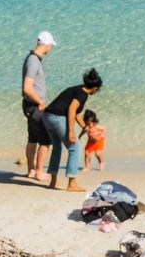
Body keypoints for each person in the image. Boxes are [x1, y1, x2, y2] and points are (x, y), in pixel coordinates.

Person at [40, 68, 101, 192]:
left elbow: (76, 113)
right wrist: (71, 132)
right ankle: (72, 183)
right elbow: (72, 109)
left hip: (47, 117)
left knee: (57, 148)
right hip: (57, 118)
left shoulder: (78, 89)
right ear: (95, 88)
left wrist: (85, 127)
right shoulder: (83, 94)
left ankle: (53, 181)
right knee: (74, 147)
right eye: (98, 89)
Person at [21, 31, 55, 184]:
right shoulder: (34, 61)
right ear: (46, 45)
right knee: (46, 141)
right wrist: (40, 102)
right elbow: (27, 88)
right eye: (50, 46)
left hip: (30, 105)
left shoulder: (32, 58)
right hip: (34, 106)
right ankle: (39, 172)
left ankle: (31, 170)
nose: (50, 49)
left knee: (33, 138)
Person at [79, 109, 106, 173]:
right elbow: (83, 131)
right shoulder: (86, 127)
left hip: (98, 140)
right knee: (86, 153)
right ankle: (87, 167)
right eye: (87, 121)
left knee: (97, 153)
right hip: (90, 141)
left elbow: (104, 128)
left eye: (90, 122)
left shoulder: (97, 126)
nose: (89, 123)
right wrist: (79, 136)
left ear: (94, 121)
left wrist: (101, 135)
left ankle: (101, 162)